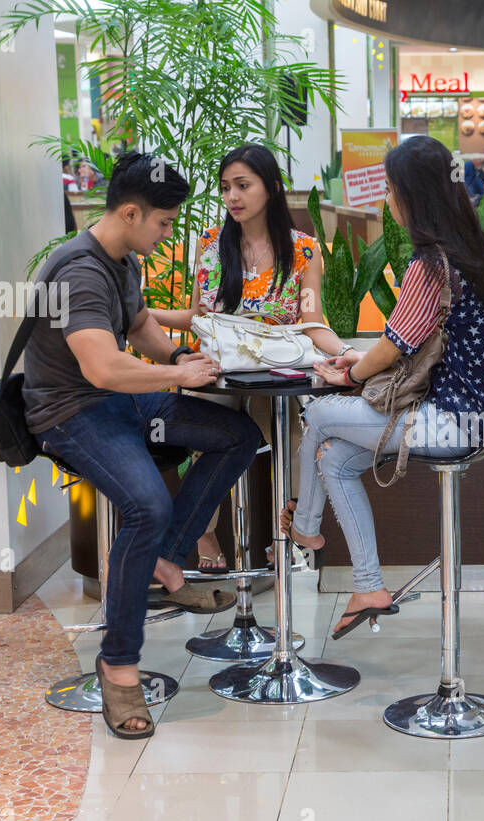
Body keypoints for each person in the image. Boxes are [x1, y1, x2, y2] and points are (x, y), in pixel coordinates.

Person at [24, 152, 261, 737]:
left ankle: (165, 557)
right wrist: (178, 378)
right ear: (130, 212)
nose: (167, 232)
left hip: (119, 401)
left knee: (238, 436)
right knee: (146, 504)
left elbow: (139, 332)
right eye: (162, 223)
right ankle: (119, 666)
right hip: (72, 412)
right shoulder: (78, 272)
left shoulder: (123, 259)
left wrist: (181, 358)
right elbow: (104, 369)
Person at [279, 136, 484, 638]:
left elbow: (393, 346)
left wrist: (348, 373)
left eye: (390, 190)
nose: (386, 200)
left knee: (318, 416)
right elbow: (414, 345)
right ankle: (368, 587)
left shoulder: (429, 264)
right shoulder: (471, 252)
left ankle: (305, 530)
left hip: (448, 423)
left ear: (414, 196)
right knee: (336, 458)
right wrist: (363, 361)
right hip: (476, 419)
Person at [156, 144, 347, 569]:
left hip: (273, 372)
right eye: (226, 188)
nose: (232, 197)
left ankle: (290, 532)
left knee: (300, 440)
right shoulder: (210, 244)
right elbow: (196, 315)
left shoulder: (304, 251)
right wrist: (142, 314)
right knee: (206, 435)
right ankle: (205, 536)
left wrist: (349, 353)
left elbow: (312, 320)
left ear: (272, 189)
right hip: (217, 370)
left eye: (243, 186)